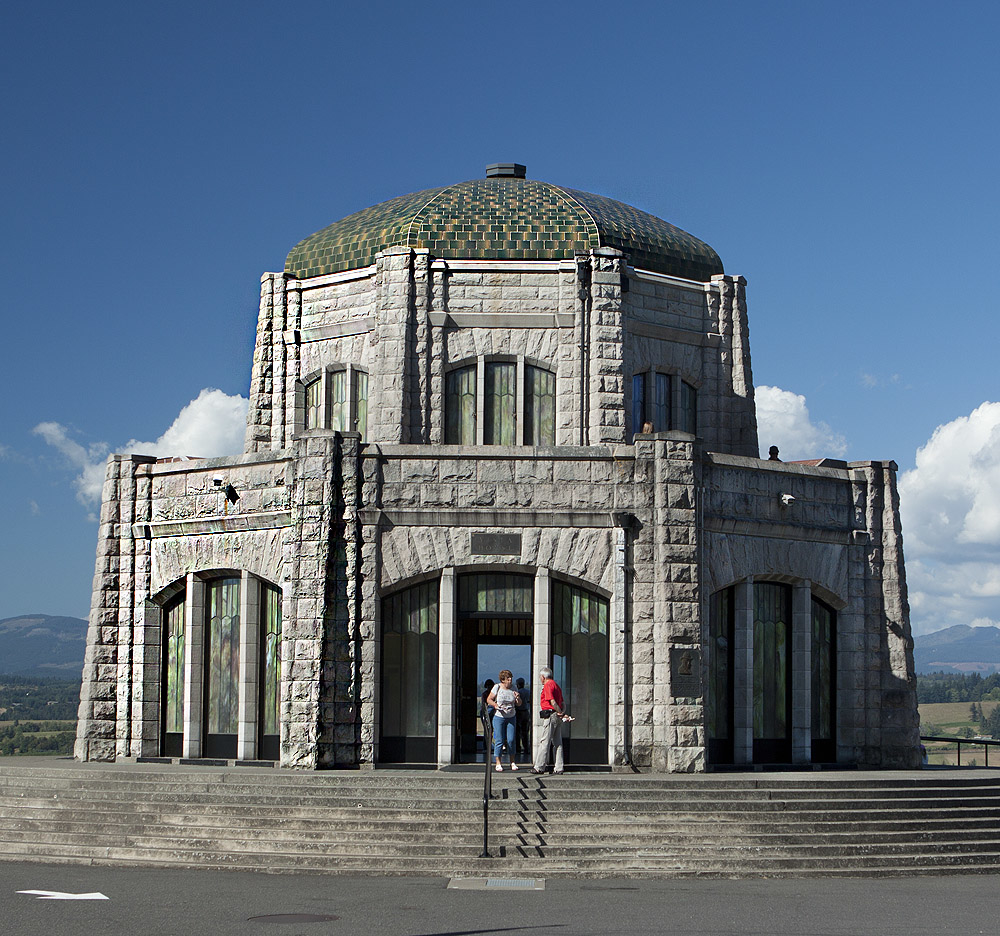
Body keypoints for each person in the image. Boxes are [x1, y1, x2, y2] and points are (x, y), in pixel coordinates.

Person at [532, 665, 569, 775]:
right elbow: (563, 703)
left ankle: (539, 766)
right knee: (558, 742)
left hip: (550, 715)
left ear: (543, 677)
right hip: (557, 716)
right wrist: (562, 713)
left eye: (540, 677)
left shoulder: (548, 685)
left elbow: (552, 701)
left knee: (545, 741)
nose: (540, 679)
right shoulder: (556, 685)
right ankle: (559, 767)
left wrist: (558, 711)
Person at [487, 670, 520, 772]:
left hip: (511, 716)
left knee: (511, 739)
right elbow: (489, 699)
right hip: (499, 716)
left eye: (511, 678)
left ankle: (512, 761)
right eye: (508, 679)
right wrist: (496, 705)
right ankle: (498, 762)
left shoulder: (514, 688)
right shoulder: (497, 687)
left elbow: (519, 704)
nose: (510, 680)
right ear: (503, 680)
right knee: (499, 740)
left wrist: (517, 697)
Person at [514, 677, 530, 760]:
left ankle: (518, 748)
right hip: (526, 712)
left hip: (519, 712)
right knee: (525, 731)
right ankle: (526, 748)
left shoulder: (518, 692)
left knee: (517, 731)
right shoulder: (528, 692)